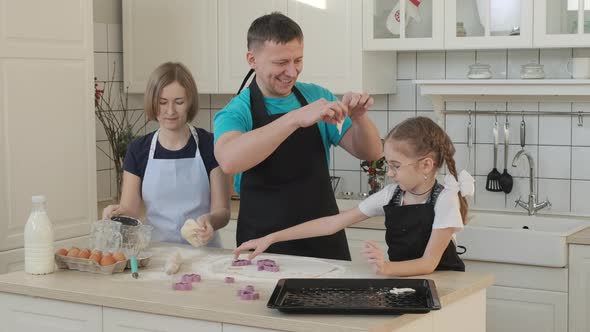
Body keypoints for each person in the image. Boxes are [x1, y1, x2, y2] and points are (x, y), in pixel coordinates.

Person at [213, 12, 383, 261]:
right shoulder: (237, 111)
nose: (292, 72)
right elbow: (229, 160)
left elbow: (371, 152)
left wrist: (359, 118)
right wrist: (293, 119)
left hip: (324, 242)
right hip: (262, 246)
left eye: (298, 60)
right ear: (252, 59)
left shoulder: (317, 96)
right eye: (281, 62)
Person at [234, 117, 474, 276]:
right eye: (387, 164)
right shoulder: (391, 195)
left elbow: (428, 264)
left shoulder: (445, 200)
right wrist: (271, 238)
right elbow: (332, 222)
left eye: (396, 165)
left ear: (426, 165)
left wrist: (385, 267)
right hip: (408, 282)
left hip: (446, 288)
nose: (389, 173)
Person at [102, 62, 231, 246]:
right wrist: (115, 213)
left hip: (204, 254)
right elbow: (129, 210)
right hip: (157, 254)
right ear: (152, 103)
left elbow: (223, 211)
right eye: (162, 102)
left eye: (179, 102)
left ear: (190, 102)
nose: (170, 111)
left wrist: (209, 221)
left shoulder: (210, 145)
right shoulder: (138, 150)